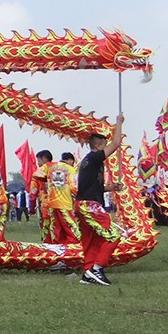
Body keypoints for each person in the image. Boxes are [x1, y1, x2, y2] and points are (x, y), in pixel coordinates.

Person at [75, 114, 125, 286]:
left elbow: (91, 186)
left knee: (92, 240)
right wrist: (118, 123)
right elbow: (116, 143)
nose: (106, 149)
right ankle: (97, 269)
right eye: (104, 145)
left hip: (83, 203)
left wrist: (111, 188)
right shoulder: (95, 157)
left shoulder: (89, 162)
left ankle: (88, 273)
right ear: (97, 146)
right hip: (90, 205)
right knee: (113, 235)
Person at [35, 151, 80, 248]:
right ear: (70, 160)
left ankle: (57, 248)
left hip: (52, 203)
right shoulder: (71, 169)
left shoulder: (49, 166)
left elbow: (36, 174)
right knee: (71, 227)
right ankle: (75, 247)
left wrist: (47, 179)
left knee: (55, 228)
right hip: (65, 203)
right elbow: (74, 187)